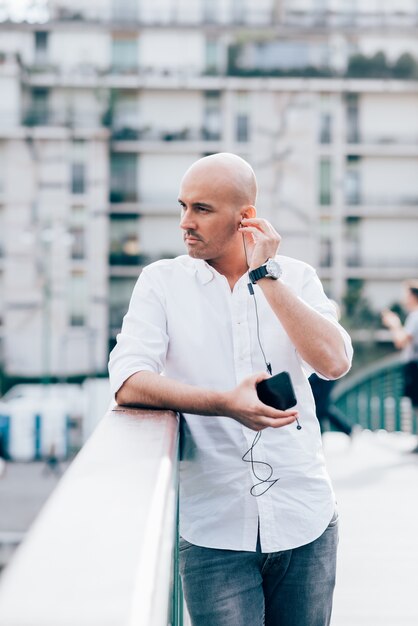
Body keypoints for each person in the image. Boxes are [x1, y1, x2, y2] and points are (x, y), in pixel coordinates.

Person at [108, 153, 353, 626]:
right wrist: (224, 405)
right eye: (182, 206)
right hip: (214, 533)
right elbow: (127, 380)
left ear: (246, 217)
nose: (185, 222)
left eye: (201, 209)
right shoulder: (161, 283)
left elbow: (335, 362)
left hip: (307, 519)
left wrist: (267, 277)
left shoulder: (295, 277)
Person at [382, 280, 418, 452]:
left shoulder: (415, 316)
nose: (404, 299)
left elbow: (401, 341)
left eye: (406, 294)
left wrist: (394, 324)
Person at [309, 301, 354, 437]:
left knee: (321, 405)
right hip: (321, 373)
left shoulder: (334, 331)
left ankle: (322, 434)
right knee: (322, 405)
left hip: (326, 373)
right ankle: (347, 429)